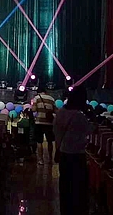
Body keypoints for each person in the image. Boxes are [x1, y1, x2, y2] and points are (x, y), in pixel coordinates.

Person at [54, 87, 93, 215]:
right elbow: (89, 130)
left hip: (64, 153)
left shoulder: (60, 113)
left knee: (65, 186)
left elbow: (57, 133)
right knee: (78, 188)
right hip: (77, 156)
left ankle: (65, 210)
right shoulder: (79, 116)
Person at [32, 87, 57, 165]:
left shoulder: (36, 98)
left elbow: (34, 109)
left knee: (39, 141)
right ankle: (50, 158)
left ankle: (41, 160)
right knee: (50, 141)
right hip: (49, 123)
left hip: (39, 122)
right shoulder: (51, 99)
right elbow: (55, 110)